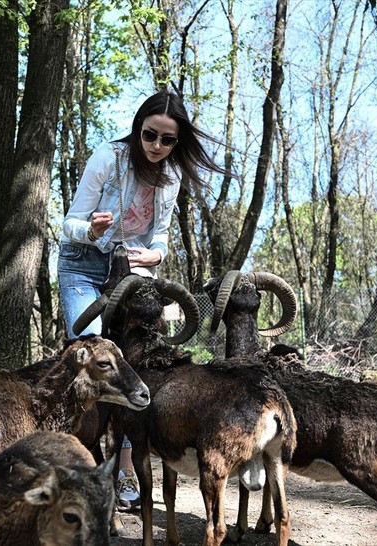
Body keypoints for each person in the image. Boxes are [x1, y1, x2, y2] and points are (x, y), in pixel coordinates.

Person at [57, 90, 228, 511]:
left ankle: (126, 469)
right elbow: (69, 223)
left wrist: (156, 255)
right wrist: (92, 232)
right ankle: (79, 465)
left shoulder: (169, 177)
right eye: (150, 135)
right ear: (138, 129)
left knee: (136, 364)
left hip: (131, 274)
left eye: (167, 140)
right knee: (92, 354)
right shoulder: (107, 158)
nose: (156, 146)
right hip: (83, 265)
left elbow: (161, 238)